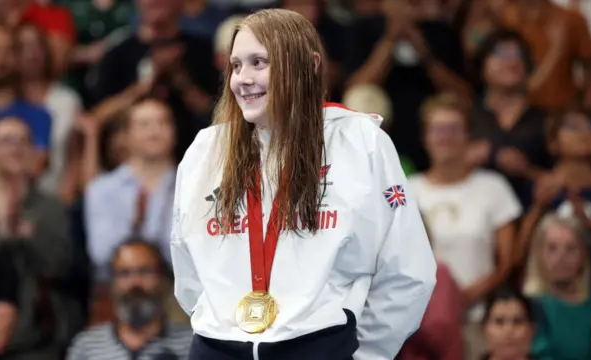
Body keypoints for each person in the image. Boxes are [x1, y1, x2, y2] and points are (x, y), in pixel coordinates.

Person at [170, 9, 436, 360]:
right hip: (215, 349)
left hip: (320, 348)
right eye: (235, 66)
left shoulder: (360, 141)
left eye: (258, 62)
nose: (243, 78)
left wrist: (364, 354)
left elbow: (406, 270)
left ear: (309, 65)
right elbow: (186, 267)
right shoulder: (206, 150)